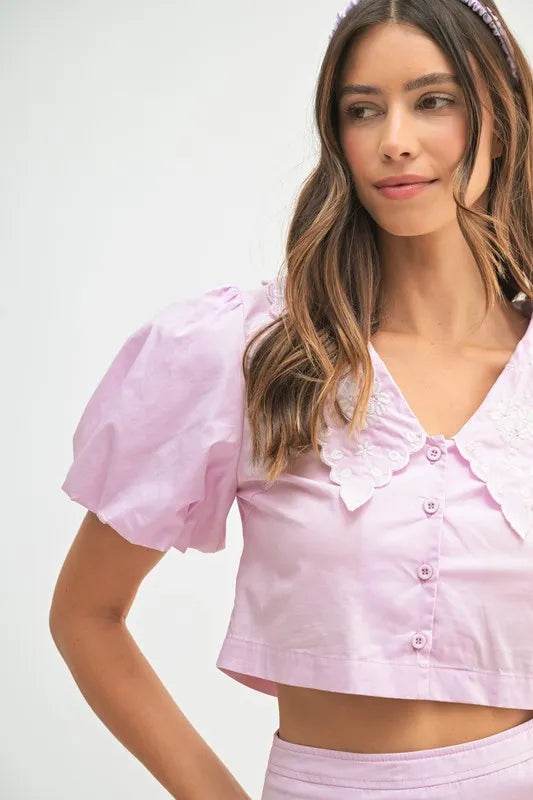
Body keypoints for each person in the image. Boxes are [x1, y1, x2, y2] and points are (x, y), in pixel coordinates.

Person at [50, 0, 533, 797]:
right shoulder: (253, 354)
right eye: (361, 110)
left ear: (503, 116)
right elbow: (85, 615)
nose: (394, 139)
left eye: (433, 100)